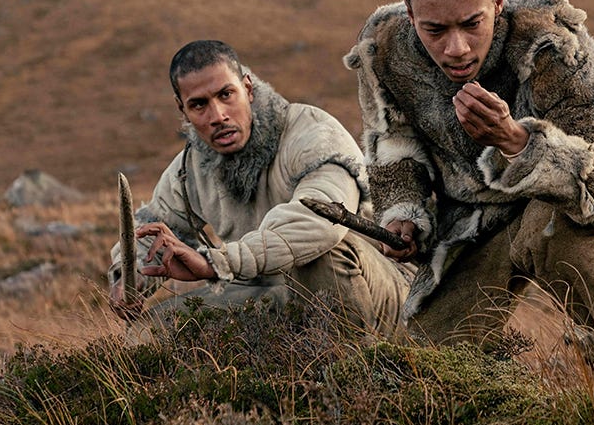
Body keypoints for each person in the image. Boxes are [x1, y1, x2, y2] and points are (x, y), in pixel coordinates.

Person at [344, 0, 594, 346]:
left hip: (560, 205)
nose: (456, 48)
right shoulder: (387, 51)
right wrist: (402, 214)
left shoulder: (552, 44)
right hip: (470, 225)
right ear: (410, 14)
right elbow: (392, 146)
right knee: (434, 366)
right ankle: (499, 392)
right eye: (435, 30)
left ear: (497, 0)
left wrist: (519, 143)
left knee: (555, 233)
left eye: (471, 23)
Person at [108, 39, 412, 339]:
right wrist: (127, 277)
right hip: (274, 293)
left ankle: (355, 375)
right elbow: (148, 231)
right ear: (183, 110)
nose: (217, 116)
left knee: (323, 254)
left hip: (380, 294)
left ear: (248, 89)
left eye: (226, 95)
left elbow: (321, 225)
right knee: (148, 332)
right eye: (199, 105)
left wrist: (217, 263)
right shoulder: (190, 168)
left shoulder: (313, 133)